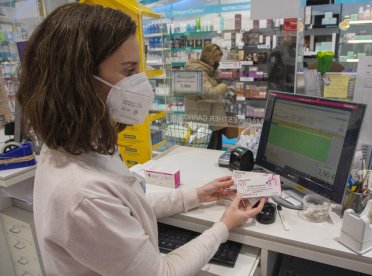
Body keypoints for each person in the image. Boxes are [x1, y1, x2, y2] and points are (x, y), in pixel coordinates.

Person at [17, 4, 265, 276]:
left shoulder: (76, 149)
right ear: (79, 82)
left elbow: (128, 207)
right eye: (129, 71)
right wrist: (223, 227)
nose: (141, 83)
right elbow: (162, 272)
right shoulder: (82, 194)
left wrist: (195, 195)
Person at [184, 44, 235, 150]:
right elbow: (210, 93)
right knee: (208, 154)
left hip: (210, 119)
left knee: (214, 152)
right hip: (203, 121)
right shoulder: (198, 71)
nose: (218, 62)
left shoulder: (208, 70)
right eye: (216, 59)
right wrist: (224, 86)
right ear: (210, 58)